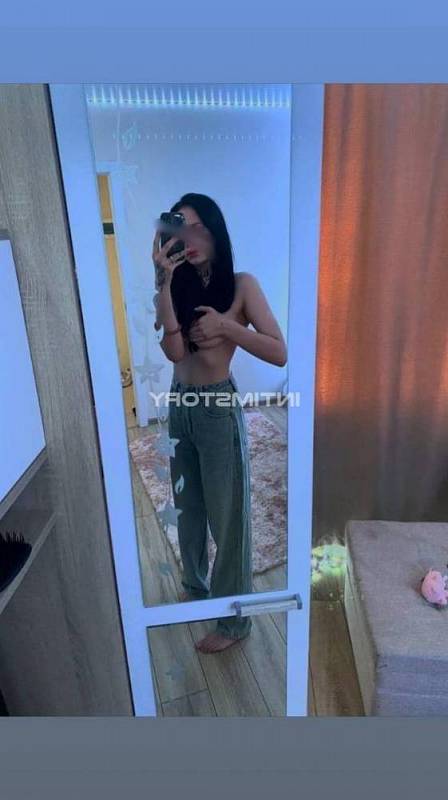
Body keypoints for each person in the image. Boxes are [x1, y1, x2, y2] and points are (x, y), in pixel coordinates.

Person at [152, 193, 287, 653]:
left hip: (216, 408)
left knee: (228, 518)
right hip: (180, 404)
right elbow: (174, 351)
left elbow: (279, 351)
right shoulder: (177, 284)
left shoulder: (242, 285)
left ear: (215, 232)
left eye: (199, 229)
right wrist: (164, 282)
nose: (190, 240)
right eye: (180, 231)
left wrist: (228, 328)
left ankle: (233, 623)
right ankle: (195, 586)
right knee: (188, 507)